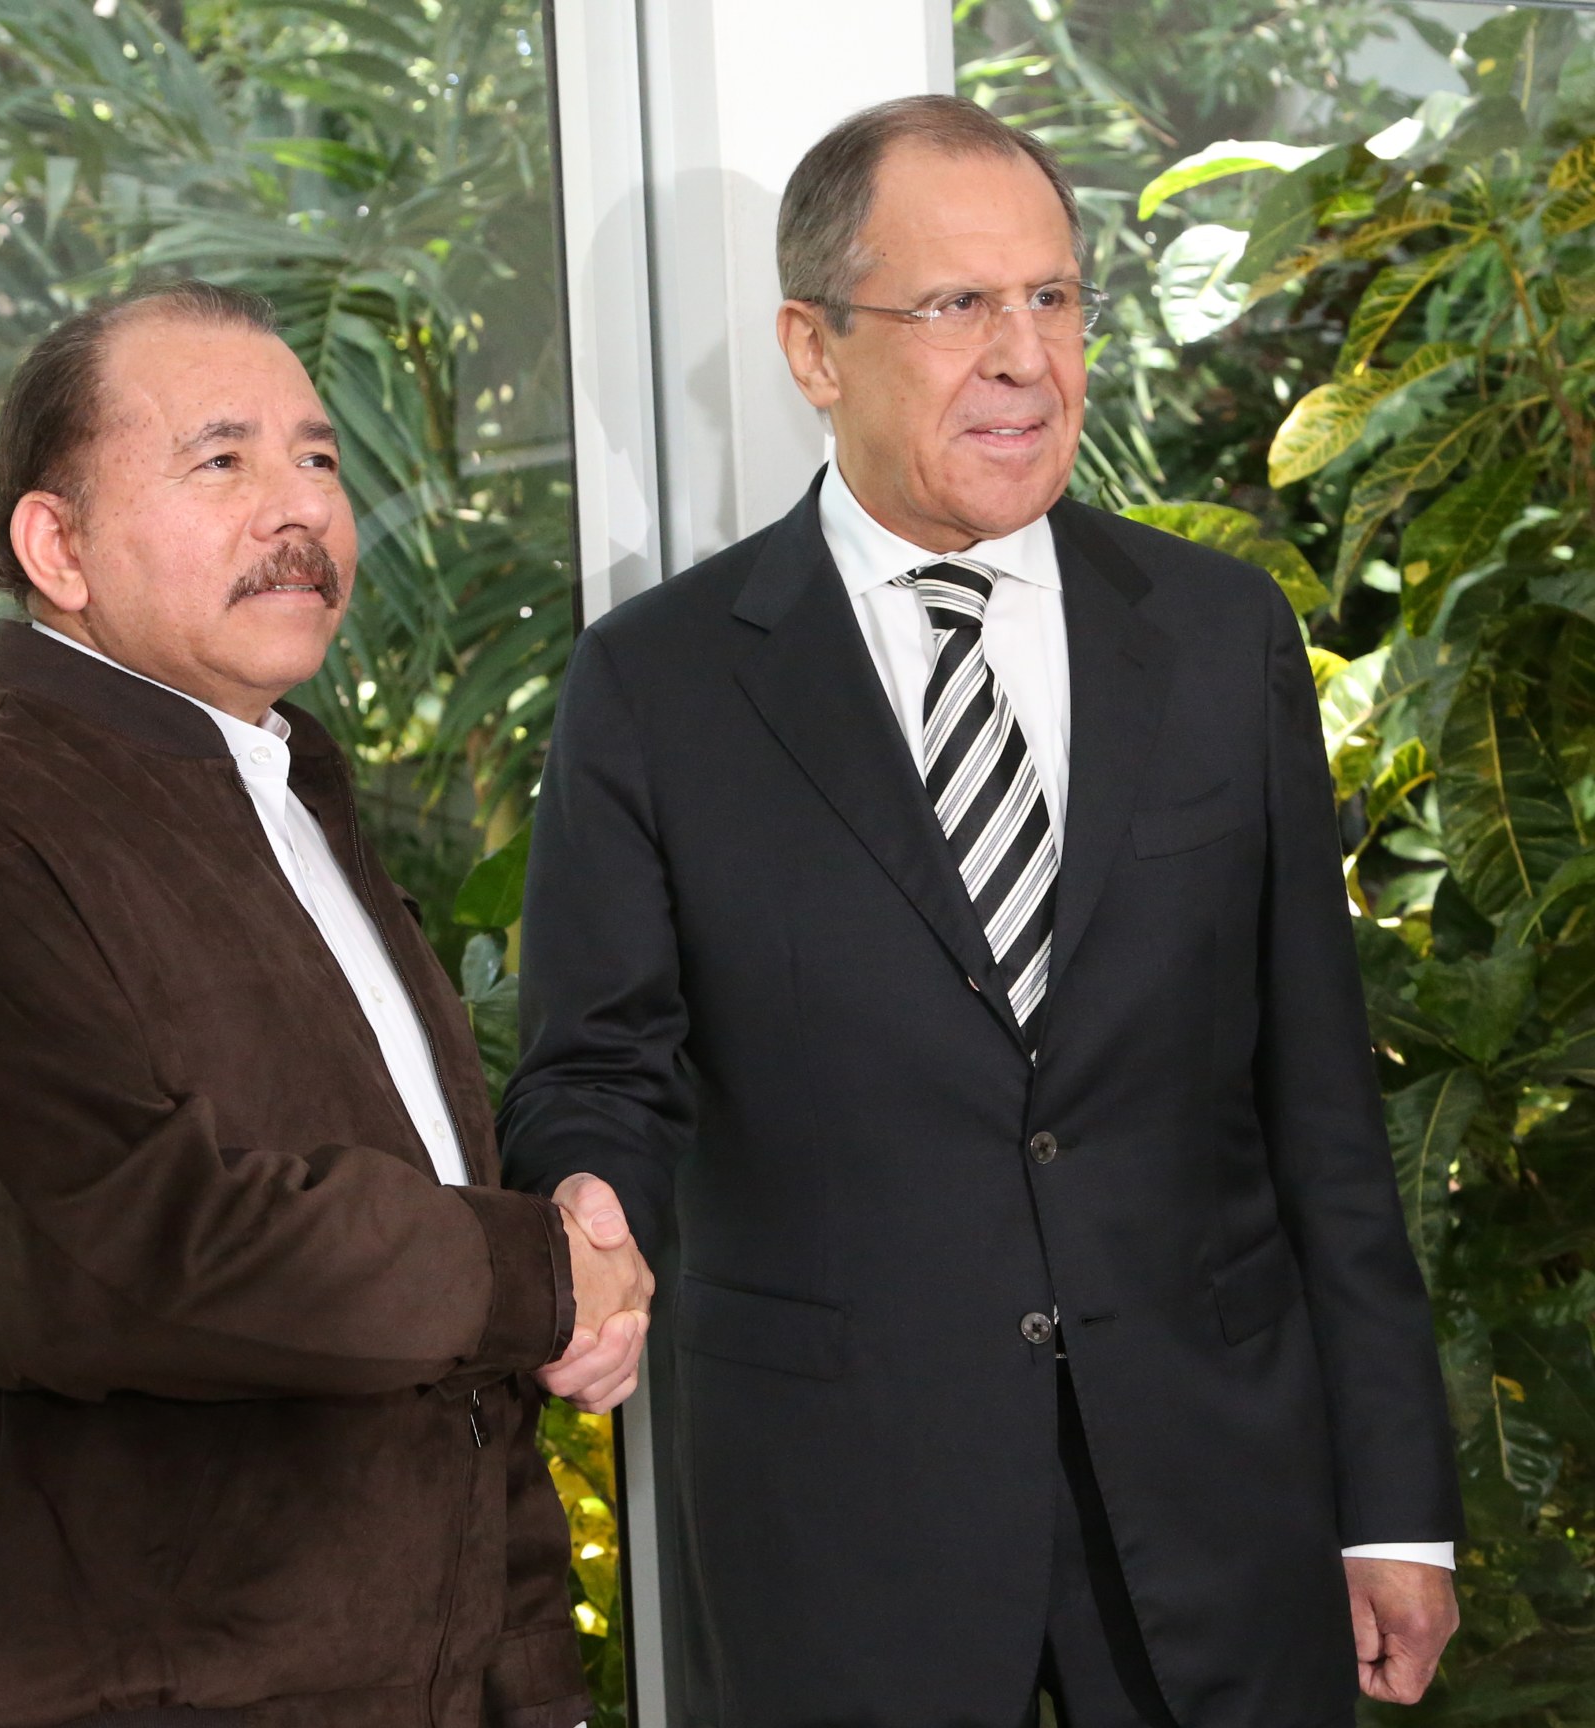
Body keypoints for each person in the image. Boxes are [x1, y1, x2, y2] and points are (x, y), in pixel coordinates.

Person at [500, 95, 1464, 1728]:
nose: (1025, 358)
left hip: (1214, 1507)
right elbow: (599, 1062)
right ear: (814, 349)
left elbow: (1321, 1105)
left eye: (1054, 298)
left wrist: (1394, 1504)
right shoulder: (658, 683)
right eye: (959, 305)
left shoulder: (1220, 638)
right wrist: (589, 1207)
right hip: (841, 1525)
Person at [0, 278, 645, 1728]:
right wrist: (534, 1273)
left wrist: (567, 1282)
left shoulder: (288, 783)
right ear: (56, 547)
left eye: (318, 458)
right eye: (221, 460)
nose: (300, 509)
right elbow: (103, 1255)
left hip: (463, 1665)